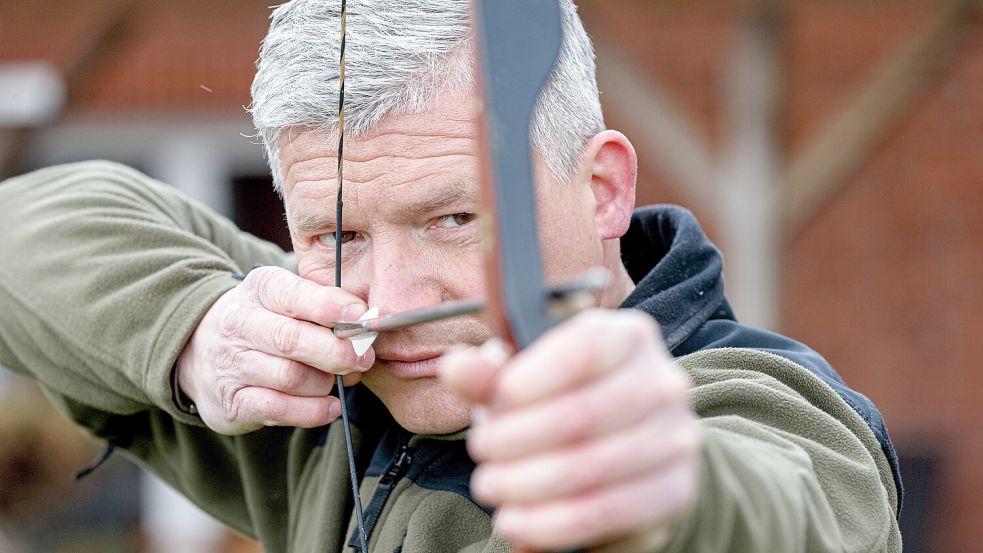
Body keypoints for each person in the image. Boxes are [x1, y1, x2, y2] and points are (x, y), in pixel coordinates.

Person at [0, 1, 901, 551]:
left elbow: (793, 515)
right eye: (335, 231)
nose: (391, 301)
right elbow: (23, 234)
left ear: (601, 191)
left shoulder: (763, 409)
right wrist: (198, 334)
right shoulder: (329, 387)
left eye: (451, 219)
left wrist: (660, 492)